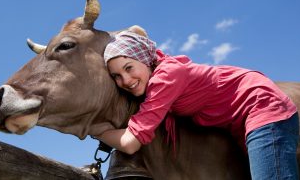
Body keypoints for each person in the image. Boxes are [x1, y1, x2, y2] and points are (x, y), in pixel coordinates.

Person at [95, 30, 299, 180]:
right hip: (242, 120)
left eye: (129, 68)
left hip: (261, 105)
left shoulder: (166, 78)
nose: (126, 80)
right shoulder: (159, 78)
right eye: (116, 76)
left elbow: (131, 142)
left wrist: (96, 131)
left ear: (145, 60)